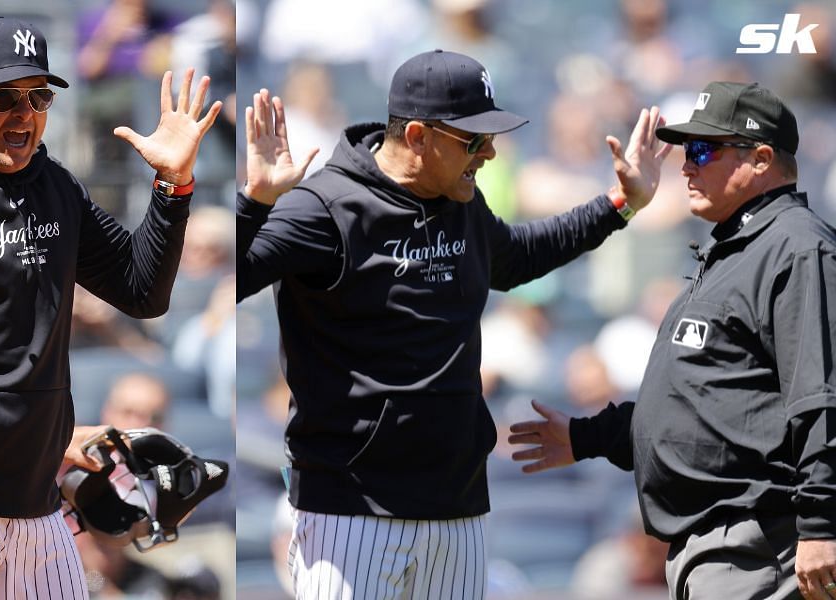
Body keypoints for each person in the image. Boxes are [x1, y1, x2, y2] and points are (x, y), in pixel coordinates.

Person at [237, 49, 669, 598]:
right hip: (353, 510)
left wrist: (621, 205)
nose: (489, 153)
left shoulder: (457, 196)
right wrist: (256, 202)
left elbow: (516, 257)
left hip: (458, 508)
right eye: (473, 139)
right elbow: (227, 276)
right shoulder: (326, 207)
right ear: (417, 136)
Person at [0, 16, 221, 599]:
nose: (24, 113)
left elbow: (141, 290)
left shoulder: (54, 184)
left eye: (39, 95)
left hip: (33, 497)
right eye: (4, 97)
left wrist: (171, 187)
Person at [509, 81, 836, 600]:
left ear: (762, 159)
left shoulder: (797, 248)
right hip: (718, 551)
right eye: (687, 150)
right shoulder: (732, 252)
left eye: (704, 150)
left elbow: (821, 398)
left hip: (761, 547)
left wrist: (821, 525)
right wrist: (589, 437)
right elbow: (702, 412)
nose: (687, 165)